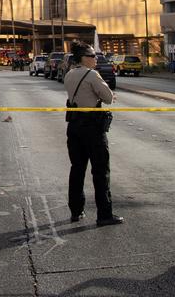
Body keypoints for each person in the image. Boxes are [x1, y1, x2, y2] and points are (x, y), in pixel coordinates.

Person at [64, 41, 124, 227]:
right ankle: (104, 215)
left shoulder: (70, 74)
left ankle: (76, 210)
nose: (95, 58)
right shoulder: (92, 74)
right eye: (92, 55)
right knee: (100, 171)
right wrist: (106, 93)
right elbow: (108, 98)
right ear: (83, 58)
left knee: (77, 169)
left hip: (74, 126)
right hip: (92, 127)